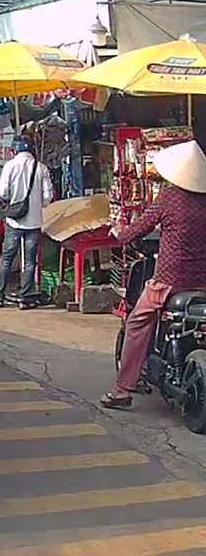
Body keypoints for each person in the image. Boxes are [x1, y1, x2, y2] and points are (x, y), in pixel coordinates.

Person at [101, 139, 206, 410]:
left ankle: (122, 391)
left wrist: (119, 233)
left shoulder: (170, 198)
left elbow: (138, 230)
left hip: (170, 282)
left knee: (137, 323)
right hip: (202, 283)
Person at [0, 135, 54, 309]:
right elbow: (47, 197)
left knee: (6, 258)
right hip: (34, 222)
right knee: (29, 261)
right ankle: (24, 299)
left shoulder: (10, 166)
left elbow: (3, 192)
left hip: (14, 221)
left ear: (15, 150)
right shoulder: (41, 168)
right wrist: (36, 204)